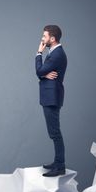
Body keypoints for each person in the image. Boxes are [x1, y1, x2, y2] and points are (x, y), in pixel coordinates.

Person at [35, 25, 68, 177]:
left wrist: (39, 53)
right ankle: (58, 162)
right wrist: (44, 74)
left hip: (52, 98)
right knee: (54, 132)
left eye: (45, 36)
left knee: (55, 133)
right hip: (51, 96)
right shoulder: (54, 52)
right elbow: (42, 73)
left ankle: (60, 166)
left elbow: (39, 71)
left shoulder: (57, 54)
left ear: (52, 39)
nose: (43, 38)